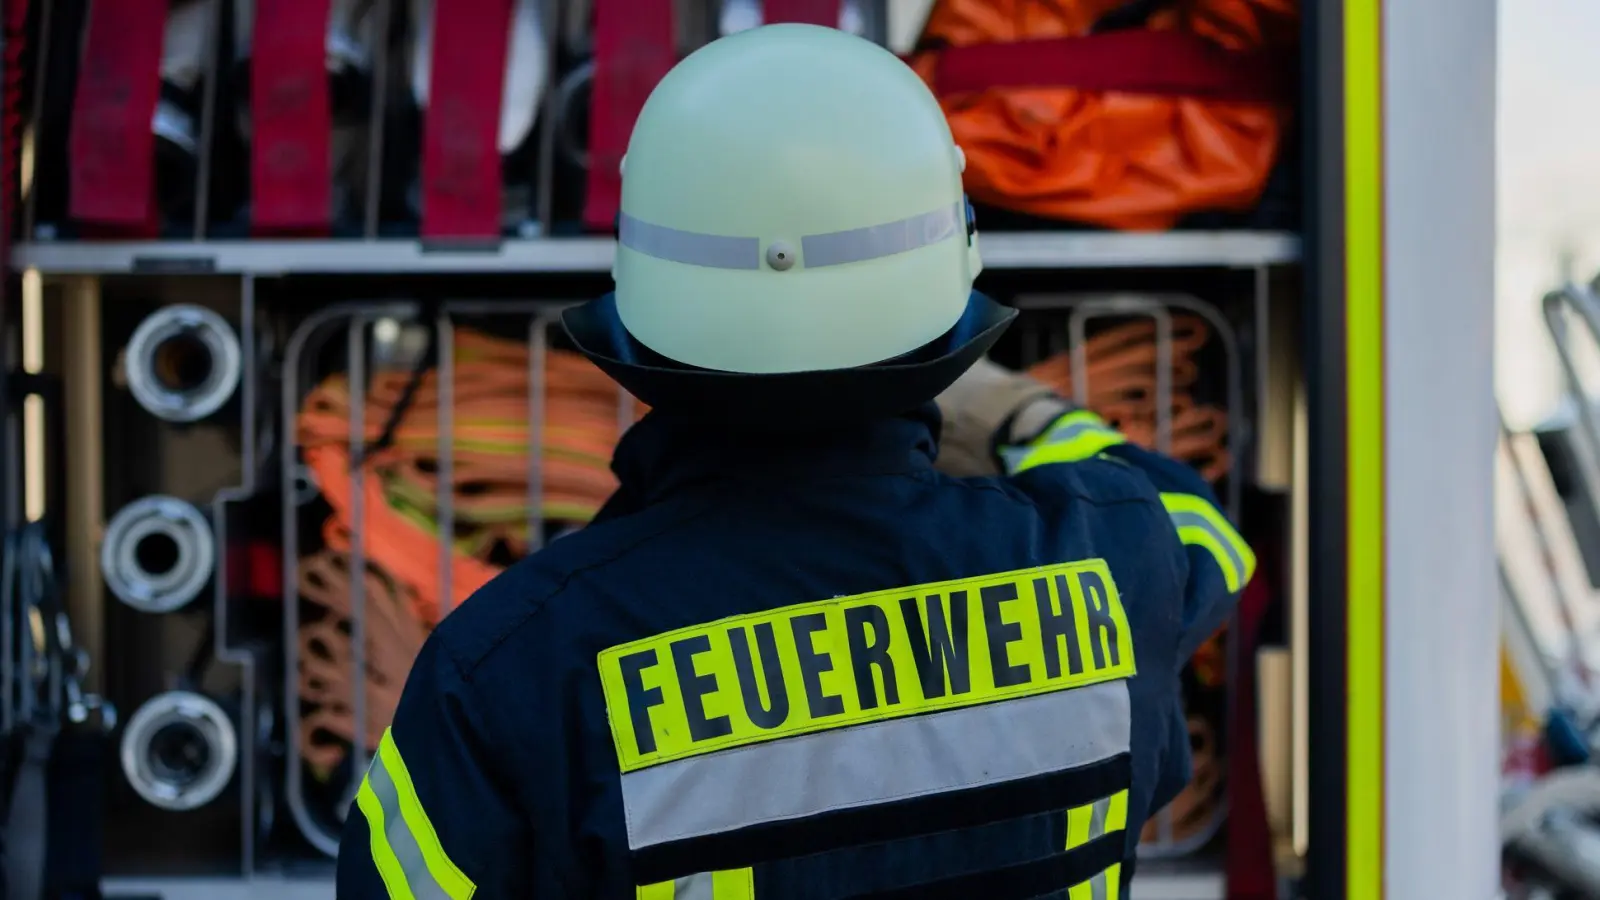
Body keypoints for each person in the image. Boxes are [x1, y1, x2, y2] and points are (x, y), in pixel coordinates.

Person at [336, 22, 1252, 900]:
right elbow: (1201, 530)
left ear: (645, 318)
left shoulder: (509, 672)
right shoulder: (1112, 563)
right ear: (947, 298)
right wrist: (1024, 415)